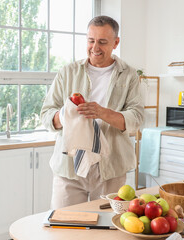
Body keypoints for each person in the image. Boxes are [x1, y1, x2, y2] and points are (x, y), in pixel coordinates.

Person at [40, 15, 144, 209]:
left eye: (103, 42)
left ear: (116, 42)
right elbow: (46, 115)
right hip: (69, 168)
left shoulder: (129, 75)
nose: (95, 47)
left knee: (106, 230)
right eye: (91, 40)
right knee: (64, 228)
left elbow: (137, 118)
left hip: (110, 167)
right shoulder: (67, 72)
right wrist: (65, 115)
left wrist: (102, 113)